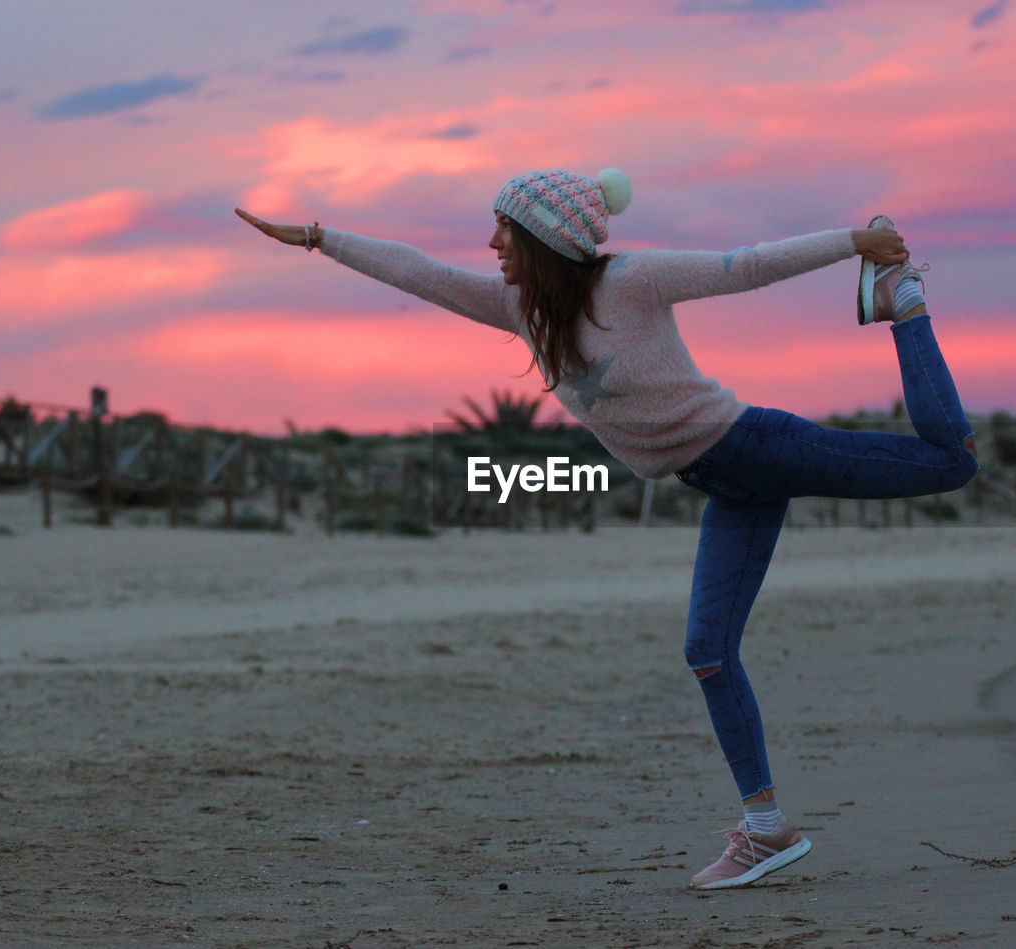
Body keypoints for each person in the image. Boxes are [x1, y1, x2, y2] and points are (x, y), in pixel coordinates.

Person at [235, 167, 978, 891]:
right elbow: (417, 271)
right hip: (720, 480)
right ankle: (767, 828)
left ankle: (902, 299)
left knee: (950, 463)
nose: (492, 242)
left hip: (757, 446)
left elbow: (745, 266)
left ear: (545, 235)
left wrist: (857, 242)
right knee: (708, 653)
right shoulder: (523, 311)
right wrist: (315, 238)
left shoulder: (634, 282)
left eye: (505, 227)